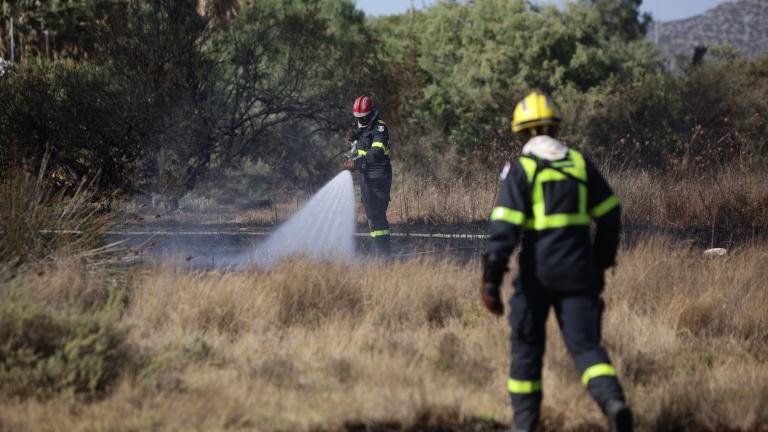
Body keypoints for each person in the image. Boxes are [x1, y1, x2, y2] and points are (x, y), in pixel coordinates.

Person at [480, 90, 632, 432]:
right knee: (585, 347)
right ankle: (614, 404)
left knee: (527, 348)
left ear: (522, 132)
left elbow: (504, 227)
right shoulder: (579, 163)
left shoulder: (523, 169)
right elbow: (610, 214)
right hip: (580, 272)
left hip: (538, 274)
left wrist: (491, 279)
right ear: (555, 127)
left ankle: (524, 426)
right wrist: (600, 262)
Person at [342, 95, 392, 256]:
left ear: (371, 114)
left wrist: (357, 162)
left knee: (377, 213)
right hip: (366, 174)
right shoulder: (362, 127)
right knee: (370, 213)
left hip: (379, 174)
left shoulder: (380, 128)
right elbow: (360, 136)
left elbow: (377, 152)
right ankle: (378, 250)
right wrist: (353, 136)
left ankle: (384, 254)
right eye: (357, 118)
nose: (360, 121)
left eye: (363, 118)